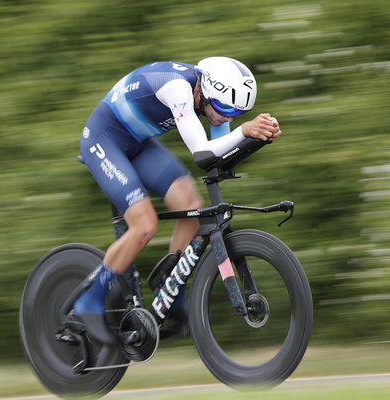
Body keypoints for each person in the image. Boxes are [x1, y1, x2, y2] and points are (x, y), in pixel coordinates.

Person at [74, 57, 282, 345]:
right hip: (103, 139)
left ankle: (172, 293)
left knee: (192, 209)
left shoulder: (207, 99)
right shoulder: (178, 88)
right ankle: (89, 302)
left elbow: (220, 159)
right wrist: (245, 130)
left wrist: (259, 138)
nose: (228, 118)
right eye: (224, 108)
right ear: (206, 91)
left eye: (238, 112)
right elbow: (202, 152)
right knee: (144, 225)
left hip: (137, 143)